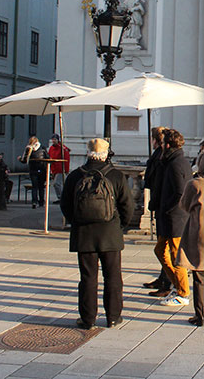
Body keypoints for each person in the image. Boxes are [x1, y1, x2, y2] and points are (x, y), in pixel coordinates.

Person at [60, 138, 133, 330]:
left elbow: (65, 204)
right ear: (105, 154)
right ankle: (113, 317)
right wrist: (120, 225)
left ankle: (88, 318)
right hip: (110, 233)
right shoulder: (116, 175)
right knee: (113, 276)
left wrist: (76, 221)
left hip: (84, 233)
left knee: (88, 277)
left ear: (88, 153)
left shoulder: (75, 175)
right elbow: (128, 205)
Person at [154, 128, 192, 306]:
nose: (160, 146)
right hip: (168, 215)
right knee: (160, 251)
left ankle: (183, 292)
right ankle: (176, 285)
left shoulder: (176, 163)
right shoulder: (170, 161)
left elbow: (180, 192)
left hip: (175, 216)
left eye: (162, 143)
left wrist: (167, 208)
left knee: (177, 256)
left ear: (168, 145)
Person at [142, 126, 172, 296]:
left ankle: (167, 281)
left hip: (163, 205)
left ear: (156, 140)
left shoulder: (162, 157)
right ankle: (163, 277)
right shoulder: (159, 155)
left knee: (164, 247)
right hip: (159, 203)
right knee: (162, 246)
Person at [177, 154, 204, 326]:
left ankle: (202, 315)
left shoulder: (195, 185)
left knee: (200, 275)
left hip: (199, 232)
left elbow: (184, 205)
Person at [19, 136, 49, 209]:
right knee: (41, 186)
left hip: (33, 170)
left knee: (34, 186)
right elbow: (48, 157)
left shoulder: (29, 148)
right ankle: (41, 202)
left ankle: (34, 201)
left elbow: (24, 160)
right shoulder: (43, 148)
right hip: (42, 169)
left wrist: (19, 159)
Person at [48, 134, 71, 205]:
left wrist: (66, 170)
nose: (53, 141)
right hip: (54, 169)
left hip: (60, 169)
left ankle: (61, 198)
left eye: (55, 139)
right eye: (53, 139)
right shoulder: (51, 148)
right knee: (59, 184)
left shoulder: (62, 148)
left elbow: (66, 159)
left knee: (57, 184)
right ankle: (61, 197)